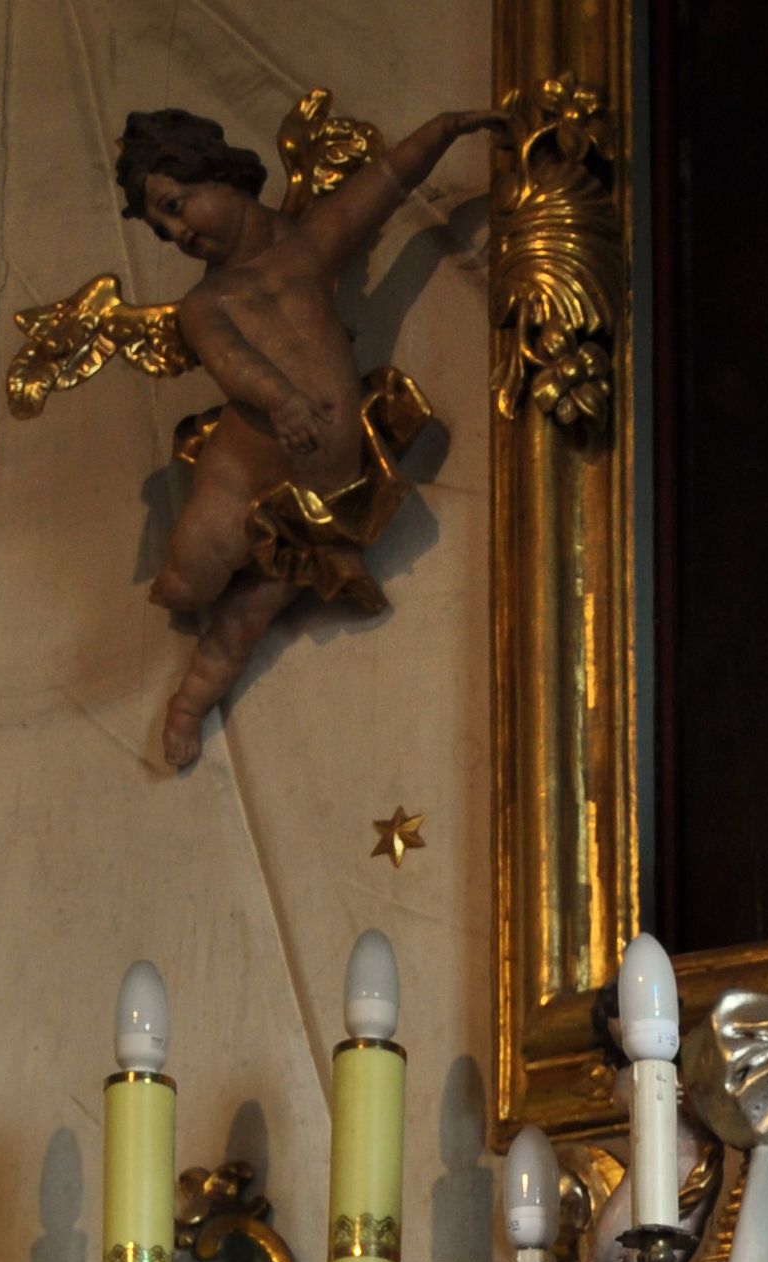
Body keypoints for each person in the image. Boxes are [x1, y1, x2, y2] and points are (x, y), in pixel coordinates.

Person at [116, 102, 502, 766]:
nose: (176, 233)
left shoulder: (310, 246)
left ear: (219, 175)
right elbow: (230, 363)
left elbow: (384, 183)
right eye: (161, 228)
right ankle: (185, 648)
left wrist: (445, 128)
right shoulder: (205, 303)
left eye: (176, 207)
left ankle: (188, 705)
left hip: (324, 501)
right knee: (186, 583)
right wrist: (282, 400)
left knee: (245, 622)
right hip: (242, 473)